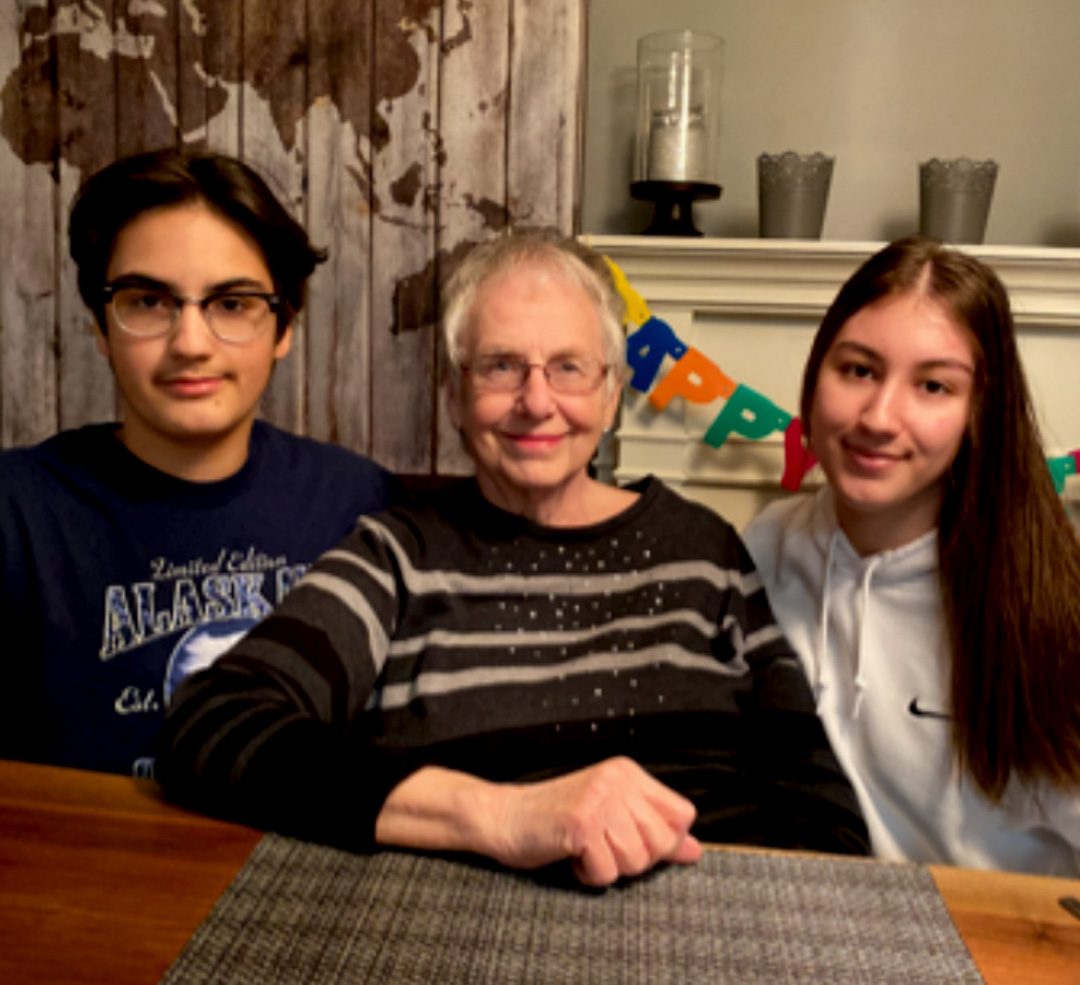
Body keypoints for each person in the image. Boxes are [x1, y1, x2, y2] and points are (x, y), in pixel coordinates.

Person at [158, 232, 868, 888]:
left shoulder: (705, 550)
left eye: (568, 367)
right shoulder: (397, 554)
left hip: (711, 921)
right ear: (455, 399)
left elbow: (823, 814)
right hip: (466, 929)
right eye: (501, 366)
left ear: (611, 394)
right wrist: (503, 815)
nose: (537, 401)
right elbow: (213, 722)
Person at [0, 149, 395, 778]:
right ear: (101, 328)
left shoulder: (359, 503)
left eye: (232, 304)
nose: (190, 343)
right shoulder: (17, 513)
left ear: (284, 325)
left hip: (296, 862)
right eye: (149, 301)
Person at [744, 236, 1080, 876]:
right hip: (821, 929)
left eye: (932, 386)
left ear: (980, 410)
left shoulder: (1049, 607)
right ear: (815, 376)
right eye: (859, 370)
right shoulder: (764, 548)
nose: (879, 417)